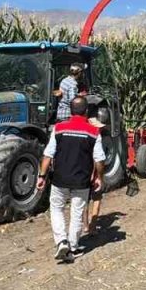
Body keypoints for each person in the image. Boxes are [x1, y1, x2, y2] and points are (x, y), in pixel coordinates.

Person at [37, 96, 104, 262]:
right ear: (86, 111)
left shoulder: (59, 128)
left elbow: (48, 154)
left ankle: (61, 241)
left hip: (60, 178)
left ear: (71, 111)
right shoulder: (94, 132)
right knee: (77, 212)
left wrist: (41, 176)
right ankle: (73, 247)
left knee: (56, 209)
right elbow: (100, 159)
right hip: (81, 181)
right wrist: (99, 178)